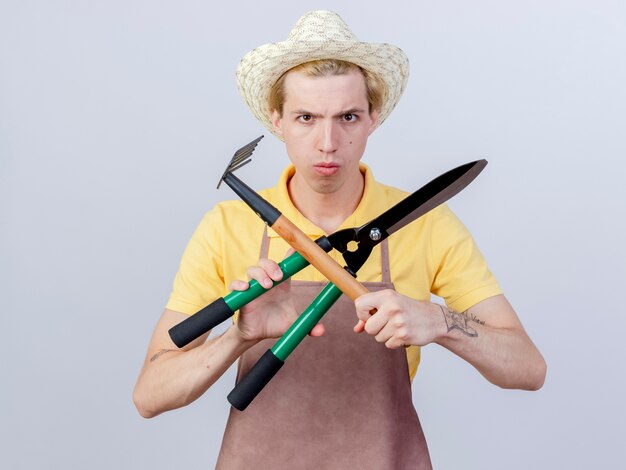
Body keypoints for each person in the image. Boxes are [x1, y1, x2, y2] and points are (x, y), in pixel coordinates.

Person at [133, 10, 546, 469]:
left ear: (373, 118)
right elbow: (150, 395)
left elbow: (528, 368)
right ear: (278, 121)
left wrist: (439, 321)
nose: (328, 142)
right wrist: (237, 338)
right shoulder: (227, 226)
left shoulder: (425, 223)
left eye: (347, 117)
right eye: (306, 117)